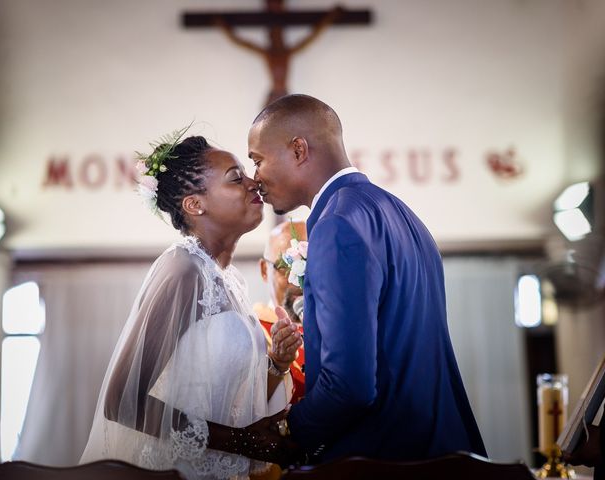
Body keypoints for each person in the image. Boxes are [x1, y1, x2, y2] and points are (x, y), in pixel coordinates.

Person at [248, 94, 487, 463]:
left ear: (298, 150)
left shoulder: (337, 224)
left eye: (258, 160)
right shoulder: (400, 214)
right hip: (440, 451)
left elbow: (349, 386)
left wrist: (287, 430)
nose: (255, 178)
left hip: (385, 460)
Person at [80, 133, 303, 479]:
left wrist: (276, 365)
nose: (252, 181)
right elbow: (123, 400)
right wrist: (246, 443)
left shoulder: (229, 280)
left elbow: (229, 400)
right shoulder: (181, 268)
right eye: (235, 177)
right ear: (195, 205)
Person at [254, 220, 307, 404]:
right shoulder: (250, 330)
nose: (297, 281)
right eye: (286, 267)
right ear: (264, 270)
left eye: (308, 265)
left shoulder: (340, 326)